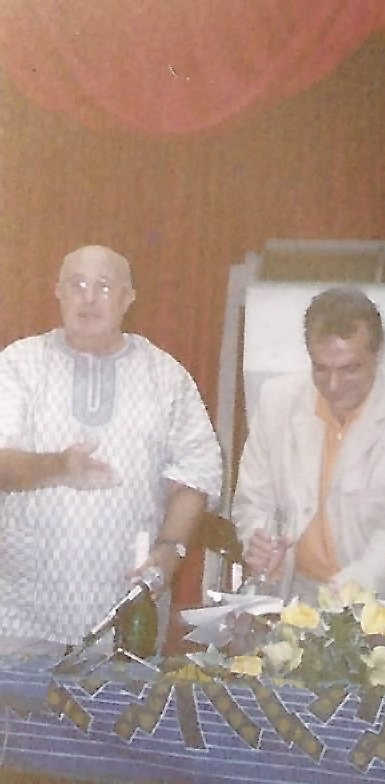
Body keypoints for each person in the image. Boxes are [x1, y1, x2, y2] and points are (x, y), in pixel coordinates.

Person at [0, 245, 223, 653]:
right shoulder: (18, 365)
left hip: (126, 607)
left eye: (103, 286)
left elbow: (197, 473)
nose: (88, 298)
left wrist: (171, 548)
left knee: (121, 697)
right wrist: (58, 467)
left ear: (128, 297)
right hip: (20, 612)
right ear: (58, 292)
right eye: (77, 284)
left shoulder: (166, 377)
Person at [232, 287, 385, 627]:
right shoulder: (276, 400)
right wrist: (261, 542)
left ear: (378, 354)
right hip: (289, 593)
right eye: (321, 369)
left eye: (350, 369)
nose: (333, 385)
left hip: (379, 606)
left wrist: (330, 607)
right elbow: (252, 501)